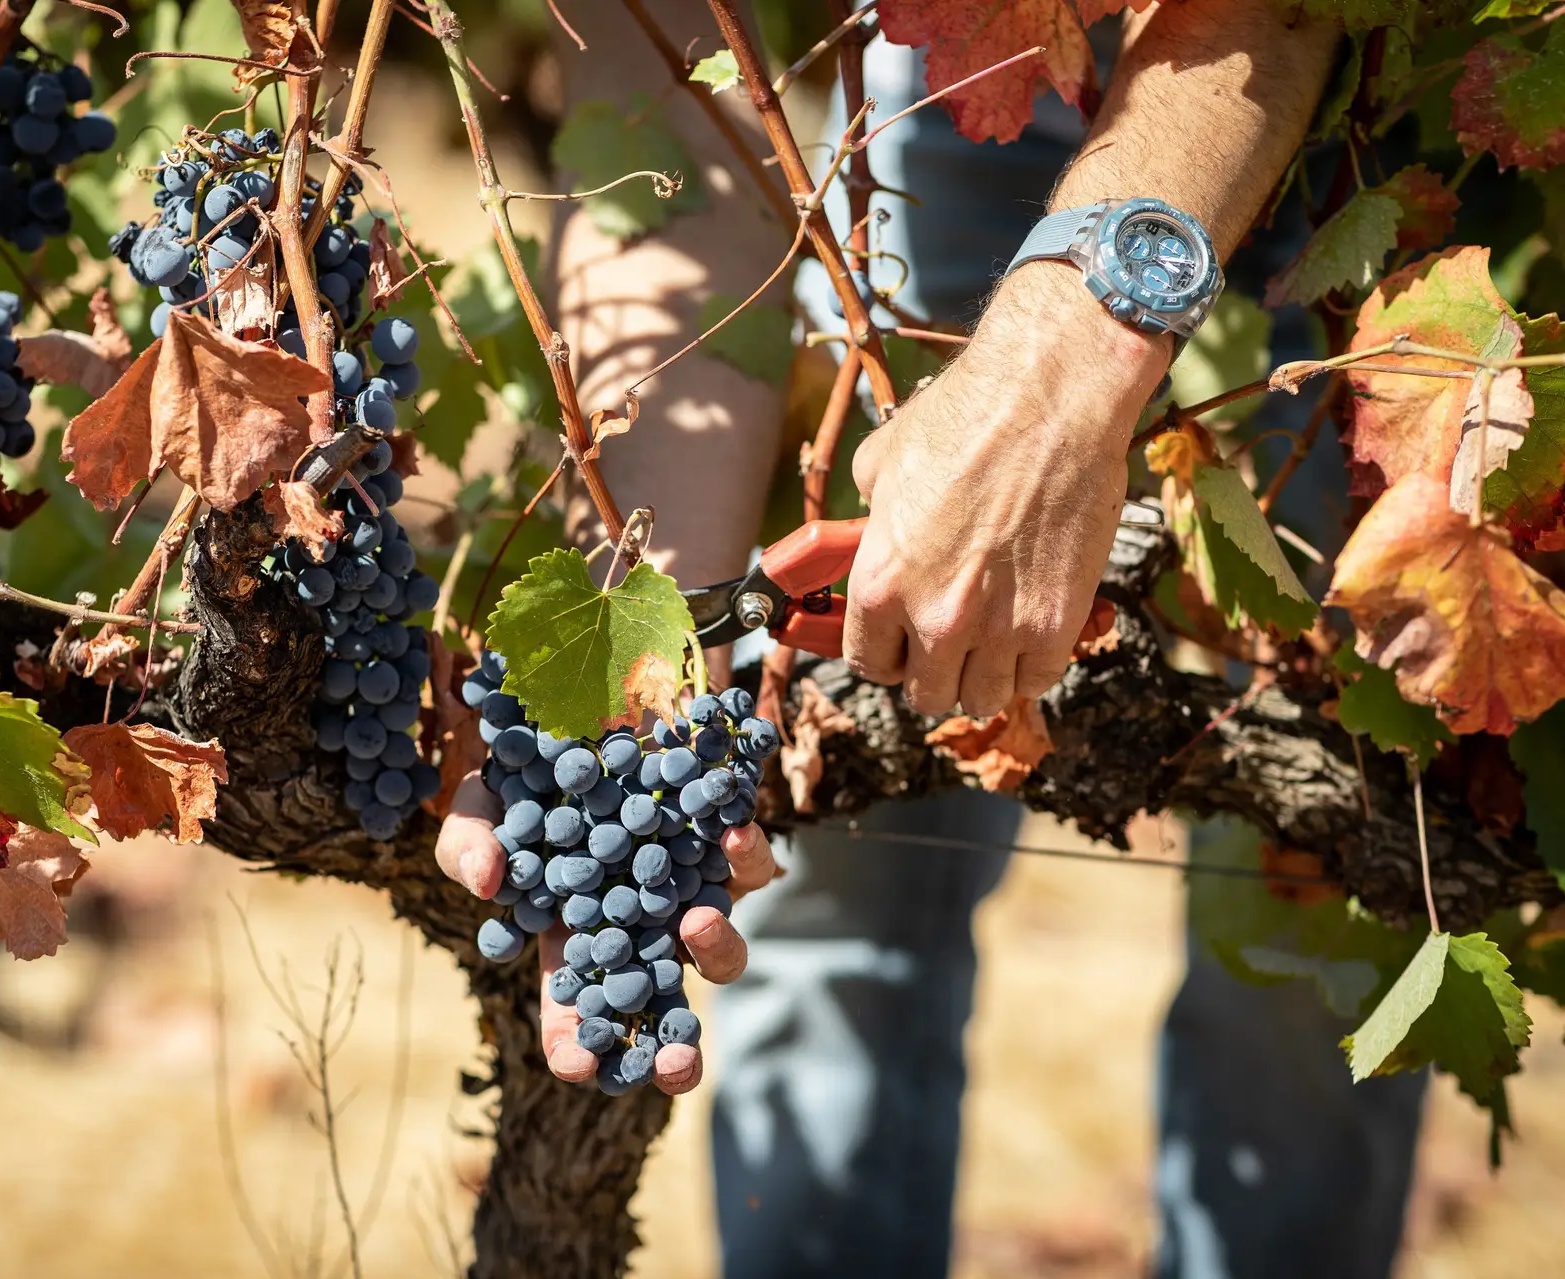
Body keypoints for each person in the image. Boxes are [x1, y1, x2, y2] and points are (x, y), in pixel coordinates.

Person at [437, 2, 1428, 1275]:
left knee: (1332, 871)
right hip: (979, 63)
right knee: (843, 864)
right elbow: (662, 116)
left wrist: (1064, 370)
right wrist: (639, 639)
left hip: (1384, 106)